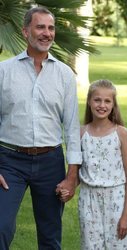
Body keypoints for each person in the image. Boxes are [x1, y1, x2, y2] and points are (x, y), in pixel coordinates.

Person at [0, 6, 82, 250]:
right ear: (26, 31)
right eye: (40, 27)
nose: (47, 33)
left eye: (51, 27)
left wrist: (71, 175)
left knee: (50, 236)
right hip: (9, 162)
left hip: (50, 162)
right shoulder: (4, 71)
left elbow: (71, 127)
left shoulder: (65, 75)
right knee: (1, 226)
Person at [77, 79, 127, 249]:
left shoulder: (121, 133)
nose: (102, 105)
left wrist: (126, 215)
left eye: (107, 101)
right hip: (88, 200)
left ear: (113, 104)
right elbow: (76, 172)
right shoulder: (81, 133)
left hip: (116, 200)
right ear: (89, 101)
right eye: (97, 100)